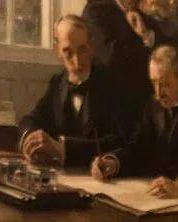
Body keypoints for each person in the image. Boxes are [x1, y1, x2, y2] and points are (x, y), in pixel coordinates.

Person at [90, 45, 178, 199]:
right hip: (159, 197)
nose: (158, 92)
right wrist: (114, 162)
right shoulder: (153, 106)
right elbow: (139, 148)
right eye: (154, 83)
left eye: (164, 84)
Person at [18, 15, 129, 167]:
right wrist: (31, 138)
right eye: (68, 52)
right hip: (64, 175)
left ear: (91, 46)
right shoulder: (58, 83)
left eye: (82, 50)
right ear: (58, 51)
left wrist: (63, 149)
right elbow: (30, 120)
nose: (77, 61)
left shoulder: (112, 84)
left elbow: (120, 140)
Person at [82, 0, 165, 117]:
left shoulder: (142, 15)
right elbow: (112, 58)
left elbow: (168, 52)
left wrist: (146, 35)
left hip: (145, 108)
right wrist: (143, 41)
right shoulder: (95, 12)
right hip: (112, 107)